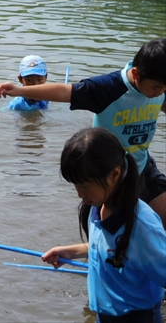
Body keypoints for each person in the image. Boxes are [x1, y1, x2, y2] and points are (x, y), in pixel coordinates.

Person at [0, 38, 166, 227]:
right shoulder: (108, 88)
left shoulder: (160, 87)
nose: (161, 92)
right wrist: (19, 91)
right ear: (136, 73)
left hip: (143, 167)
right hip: (110, 175)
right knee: (117, 233)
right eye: (156, 87)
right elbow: (65, 92)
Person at [41, 128, 166, 323]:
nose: (79, 194)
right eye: (75, 185)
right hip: (104, 314)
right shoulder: (97, 206)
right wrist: (71, 252)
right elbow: (110, 249)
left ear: (114, 174)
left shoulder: (143, 227)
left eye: (84, 185)